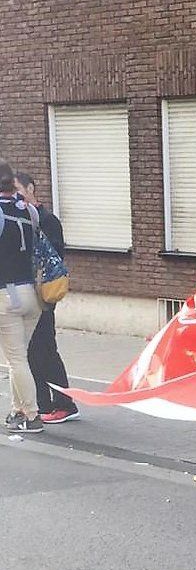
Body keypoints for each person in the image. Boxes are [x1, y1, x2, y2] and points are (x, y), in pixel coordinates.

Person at [15, 171, 79, 424]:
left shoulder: (46, 220)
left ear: (31, 189)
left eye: (18, 190)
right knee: (31, 352)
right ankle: (43, 404)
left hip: (42, 296)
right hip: (26, 295)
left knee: (46, 350)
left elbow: (53, 259)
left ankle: (65, 403)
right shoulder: (20, 219)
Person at [0, 159, 44, 433]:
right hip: (32, 294)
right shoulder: (29, 210)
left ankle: (31, 415)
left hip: (7, 295)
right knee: (19, 357)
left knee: (16, 359)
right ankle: (17, 410)